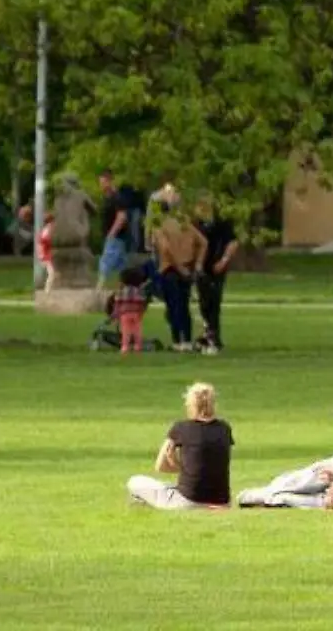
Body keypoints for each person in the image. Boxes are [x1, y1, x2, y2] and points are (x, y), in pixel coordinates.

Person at [126, 382, 234, 509]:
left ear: (191, 405)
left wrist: (173, 461)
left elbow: (160, 466)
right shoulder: (224, 428)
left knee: (135, 481)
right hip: (222, 502)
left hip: (188, 501)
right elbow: (208, 468)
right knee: (168, 486)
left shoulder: (181, 428)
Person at [152, 203, 208, 351]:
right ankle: (187, 340)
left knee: (173, 307)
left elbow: (165, 249)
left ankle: (177, 341)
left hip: (170, 269)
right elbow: (204, 243)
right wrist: (198, 264)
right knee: (184, 306)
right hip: (188, 267)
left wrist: (179, 267)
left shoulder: (160, 227)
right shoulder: (186, 225)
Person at [194, 197, 239, 353]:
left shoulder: (222, 222)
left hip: (216, 265)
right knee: (203, 302)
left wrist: (223, 260)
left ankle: (214, 336)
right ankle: (207, 334)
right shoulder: (197, 223)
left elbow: (233, 242)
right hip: (201, 267)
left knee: (213, 301)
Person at [97, 169, 131, 289]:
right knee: (121, 265)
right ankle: (124, 288)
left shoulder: (117, 197)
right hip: (118, 237)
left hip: (116, 236)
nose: (101, 185)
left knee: (106, 261)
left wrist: (112, 233)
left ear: (109, 181)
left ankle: (99, 289)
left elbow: (122, 217)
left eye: (103, 182)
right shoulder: (107, 198)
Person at [113, 266, 149, 354]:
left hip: (125, 313)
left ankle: (125, 347)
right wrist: (142, 312)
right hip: (136, 313)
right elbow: (143, 302)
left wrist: (115, 313)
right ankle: (138, 346)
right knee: (137, 330)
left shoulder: (121, 290)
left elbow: (117, 302)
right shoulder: (139, 290)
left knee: (126, 331)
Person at [36, 212, 56, 292]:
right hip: (46, 256)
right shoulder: (47, 230)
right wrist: (41, 255)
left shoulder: (47, 230)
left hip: (46, 255)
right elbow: (42, 242)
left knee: (52, 273)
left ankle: (48, 290)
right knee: (51, 273)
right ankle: (47, 290)